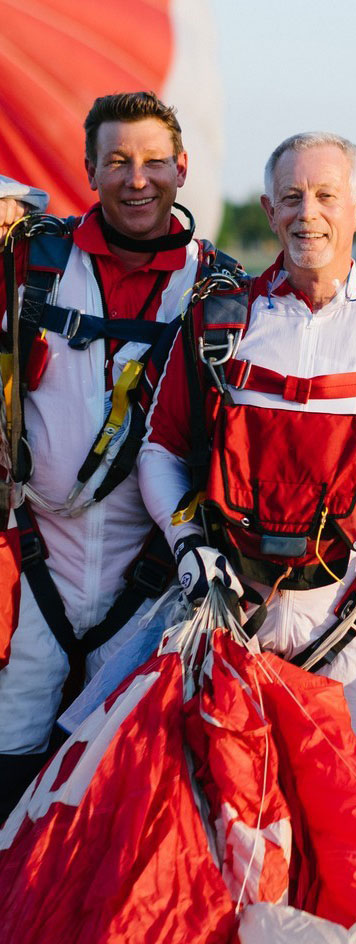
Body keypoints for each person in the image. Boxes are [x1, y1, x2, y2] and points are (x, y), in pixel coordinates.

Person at [139, 132, 356, 743]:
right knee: (226, 805)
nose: (308, 213)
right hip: (230, 611)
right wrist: (187, 544)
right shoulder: (217, 320)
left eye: (327, 195)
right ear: (269, 209)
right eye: (291, 196)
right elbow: (160, 450)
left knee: (335, 801)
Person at [0, 91, 236, 821]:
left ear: (183, 169)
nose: (138, 179)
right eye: (118, 162)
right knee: (9, 761)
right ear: (89, 171)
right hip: (36, 564)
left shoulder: (220, 287)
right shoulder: (30, 262)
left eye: (155, 162)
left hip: (155, 576)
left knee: (118, 788)